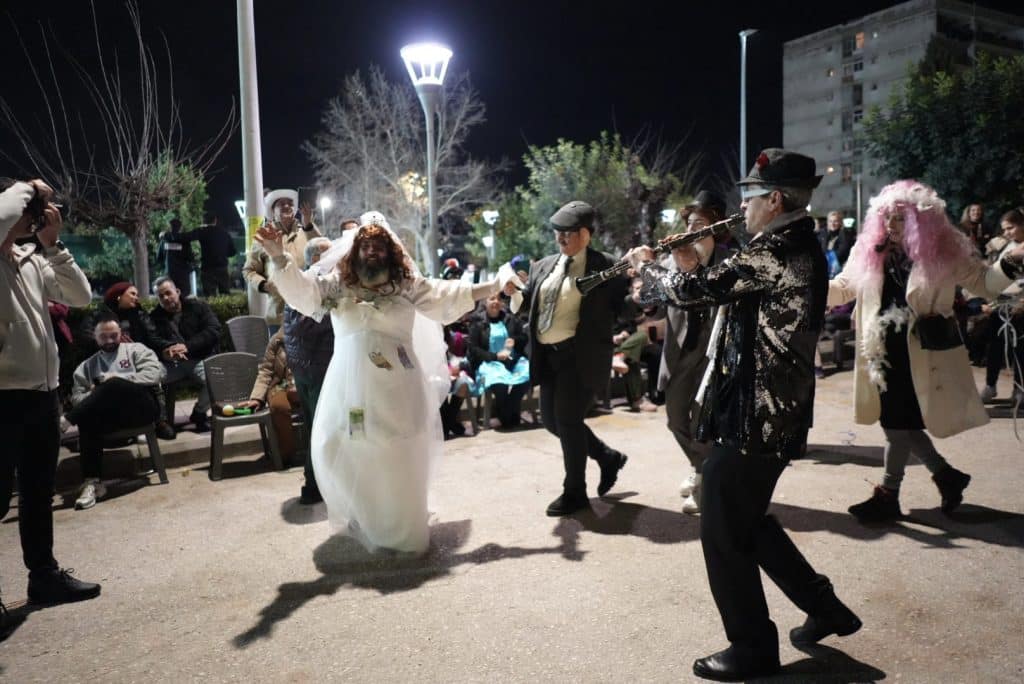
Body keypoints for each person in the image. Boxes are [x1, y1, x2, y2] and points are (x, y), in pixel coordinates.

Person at [626, 149, 860, 681]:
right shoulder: (785, 245)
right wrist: (691, 259)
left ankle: (753, 646)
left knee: (722, 523)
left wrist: (651, 269)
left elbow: (692, 292)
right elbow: (726, 287)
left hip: (762, 413)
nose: (744, 207)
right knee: (745, 519)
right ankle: (824, 607)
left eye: (751, 198)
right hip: (758, 407)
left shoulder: (778, 248)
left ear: (774, 200)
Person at [256, 213, 515, 554]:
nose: (372, 252)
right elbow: (303, 292)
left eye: (379, 246)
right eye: (365, 246)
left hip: (398, 387)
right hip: (349, 385)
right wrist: (278, 256)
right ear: (355, 251)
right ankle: (368, 515)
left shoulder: (407, 284)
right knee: (343, 449)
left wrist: (495, 285)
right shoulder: (338, 283)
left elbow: (448, 294)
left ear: (391, 251)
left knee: (397, 451)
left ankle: (402, 529)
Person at [828, 181, 1024, 522]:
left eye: (901, 218)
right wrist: (807, 286)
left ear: (922, 221)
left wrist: (1011, 262)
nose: (891, 225)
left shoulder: (944, 252)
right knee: (899, 424)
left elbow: (984, 284)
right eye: (887, 217)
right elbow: (844, 287)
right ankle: (947, 477)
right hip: (880, 351)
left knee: (896, 423)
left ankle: (890, 494)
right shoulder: (869, 250)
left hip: (921, 353)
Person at [0, 177, 101, 619]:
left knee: (38, 492)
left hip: (42, 395)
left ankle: (43, 576)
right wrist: (29, 187)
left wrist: (54, 243)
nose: (31, 218)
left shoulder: (30, 258)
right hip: (2, 397)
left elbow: (80, 296)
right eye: (29, 210)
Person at [509, 200, 629, 517]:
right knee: (551, 421)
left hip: (580, 356)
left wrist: (641, 291)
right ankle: (607, 456)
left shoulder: (607, 266)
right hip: (548, 357)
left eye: (569, 233)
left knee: (567, 420)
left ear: (587, 234)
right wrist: (515, 294)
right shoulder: (544, 265)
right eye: (557, 232)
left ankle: (575, 492)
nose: (561, 239)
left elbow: (627, 308)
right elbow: (528, 308)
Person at [654, 189, 732, 515]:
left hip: (716, 351)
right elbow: (649, 293)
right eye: (687, 223)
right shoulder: (674, 257)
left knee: (704, 419)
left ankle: (705, 478)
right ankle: (701, 465)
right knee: (675, 418)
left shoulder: (732, 258)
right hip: (682, 348)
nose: (690, 230)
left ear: (715, 226)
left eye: (698, 223)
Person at [66, 315, 165, 509]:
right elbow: (77, 398)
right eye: (104, 337)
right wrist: (97, 395)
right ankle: (93, 482)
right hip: (110, 417)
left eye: (114, 335)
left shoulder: (136, 350)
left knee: (112, 383)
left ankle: (66, 421)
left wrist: (117, 378)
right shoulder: (86, 367)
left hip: (141, 408)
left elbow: (156, 374)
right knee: (87, 419)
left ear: (121, 334)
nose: (110, 341)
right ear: (95, 338)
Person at [282, 236, 334, 504]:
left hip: (307, 366)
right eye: (329, 254)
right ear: (316, 258)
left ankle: (317, 483)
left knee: (318, 426)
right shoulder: (309, 285)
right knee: (319, 427)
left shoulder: (306, 283)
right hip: (315, 368)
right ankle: (314, 486)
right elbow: (305, 324)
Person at [148, 276, 221, 431]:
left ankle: (199, 412)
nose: (166, 298)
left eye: (168, 293)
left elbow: (213, 330)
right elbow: (152, 340)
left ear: (178, 291)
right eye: (161, 296)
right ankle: (161, 421)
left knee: (216, 380)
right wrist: (166, 352)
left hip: (197, 359)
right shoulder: (154, 317)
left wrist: (187, 347)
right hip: (171, 364)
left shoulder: (198, 307)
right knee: (148, 377)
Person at [243, 189, 321, 325]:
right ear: (272, 212)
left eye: (290, 203)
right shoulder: (264, 237)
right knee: (278, 346)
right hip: (278, 314)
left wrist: (308, 225)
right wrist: (264, 285)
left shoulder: (306, 231)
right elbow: (249, 270)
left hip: (308, 312)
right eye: (281, 204)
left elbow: (323, 253)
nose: (286, 206)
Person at [978, 208, 1024, 403]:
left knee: (1019, 347)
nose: (1006, 233)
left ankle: (1019, 389)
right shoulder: (1008, 247)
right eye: (1004, 229)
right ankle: (990, 385)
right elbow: (998, 276)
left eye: (1010, 228)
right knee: (994, 344)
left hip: (1020, 303)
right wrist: (991, 302)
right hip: (1002, 302)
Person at [235, 329, 301, 464]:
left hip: (307, 382)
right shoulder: (277, 340)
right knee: (279, 407)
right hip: (281, 385)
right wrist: (257, 398)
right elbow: (266, 371)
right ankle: (285, 454)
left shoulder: (316, 335)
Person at [467, 293, 530, 429]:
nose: (496, 302)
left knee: (530, 372)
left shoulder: (510, 319)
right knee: (500, 383)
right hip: (489, 363)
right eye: (492, 299)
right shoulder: (477, 322)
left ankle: (506, 408)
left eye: (498, 299)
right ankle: (509, 417)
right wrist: (495, 356)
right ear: (485, 302)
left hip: (512, 362)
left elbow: (524, 338)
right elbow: (473, 349)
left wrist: (515, 340)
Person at [185, 213, 237, 296]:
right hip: (222, 267)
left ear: (203, 221)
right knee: (225, 294)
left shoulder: (202, 231)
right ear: (215, 220)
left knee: (209, 295)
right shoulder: (224, 233)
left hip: (207, 268)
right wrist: (222, 254)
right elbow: (233, 252)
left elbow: (186, 237)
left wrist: (166, 235)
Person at [156, 218, 195, 297]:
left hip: (169, 273)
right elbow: (190, 257)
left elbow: (159, 257)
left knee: (171, 295)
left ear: (170, 227)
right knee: (183, 295)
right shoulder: (185, 241)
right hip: (183, 274)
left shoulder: (164, 241)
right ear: (180, 228)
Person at [818, 210, 852, 278]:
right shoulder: (823, 234)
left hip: (839, 270)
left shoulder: (845, 234)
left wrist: (828, 259)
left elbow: (843, 250)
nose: (832, 224)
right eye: (830, 221)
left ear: (840, 222)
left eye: (835, 221)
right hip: (823, 269)